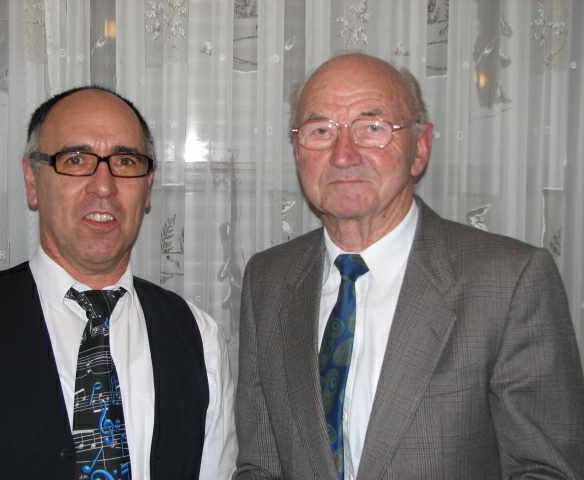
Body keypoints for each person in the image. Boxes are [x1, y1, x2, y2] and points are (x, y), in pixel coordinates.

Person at [234, 53, 584, 479]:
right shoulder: (268, 281)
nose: (343, 155)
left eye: (372, 128)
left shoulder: (509, 282)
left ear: (420, 148)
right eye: (320, 131)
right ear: (297, 150)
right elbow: (260, 465)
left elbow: (547, 470)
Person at [0, 86, 237, 479]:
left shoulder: (200, 341)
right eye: (76, 159)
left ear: (147, 187)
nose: (103, 186)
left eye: (125, 161)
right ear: (32, 180)